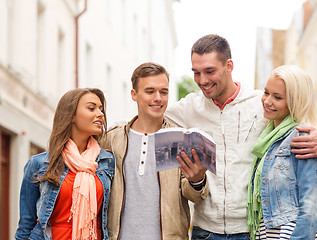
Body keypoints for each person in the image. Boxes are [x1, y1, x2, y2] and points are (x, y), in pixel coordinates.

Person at [165, 34, 317, 239]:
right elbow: (149, 118)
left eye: (209, 71)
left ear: (229, 66)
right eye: (196, 72)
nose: (202, 80)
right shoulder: (188, 108)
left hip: (250, 230)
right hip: (205, 231)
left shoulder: (263, 103)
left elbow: (302, 128)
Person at [101, 62, 209, 240]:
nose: (158, 98)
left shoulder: (180, 139)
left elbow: (196, 197)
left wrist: (197, 181)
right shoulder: (112, 139)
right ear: (134, 94)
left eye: (163, 92)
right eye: (150, 91)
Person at [15, 88, 115, 240]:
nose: (100, 114)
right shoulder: (39, 164)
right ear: (72, 116)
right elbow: (26, 223)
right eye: (91, 108)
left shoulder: (107, 162)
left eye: (101, 109)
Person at [247, 65, 317, 239]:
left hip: (292, 234)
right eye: (266, 92)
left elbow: (310, 205)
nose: (267, 101)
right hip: (268, 233)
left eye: (277, 97)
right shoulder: (267, 137)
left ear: (294, 101)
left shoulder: (302, 136)